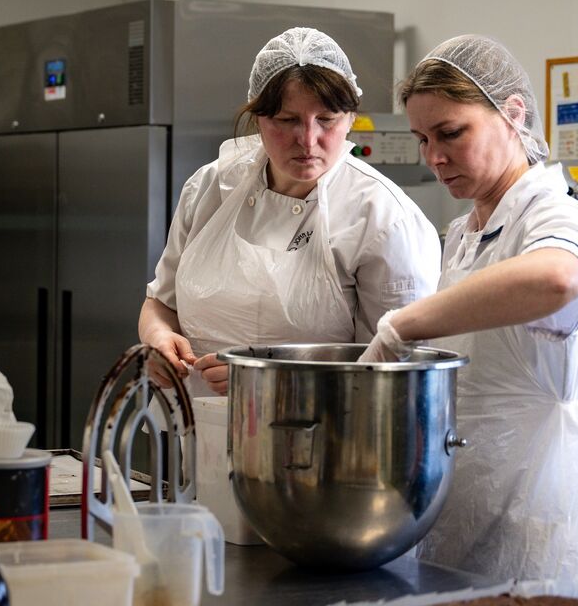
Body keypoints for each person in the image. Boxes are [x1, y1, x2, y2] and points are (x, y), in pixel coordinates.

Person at [359, 35, 578, 599]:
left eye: (451, 133)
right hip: (468, 514)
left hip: (541, 525)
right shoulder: (465, 236)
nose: (434, 156)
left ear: (512, 114)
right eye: (422, 139)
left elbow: (555, 278)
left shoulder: (558, 216)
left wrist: (403, 325)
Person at [139, 27, 440, 398]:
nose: (308, 139)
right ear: (258, 118)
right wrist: (157, 338)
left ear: (350, 119)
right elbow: (161, 303)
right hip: (196, 429)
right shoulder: (210, 187)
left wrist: (266, 382)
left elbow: (397, 374)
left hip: (319, 440)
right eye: (287, 120)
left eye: (326, 119)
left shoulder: (383, 218)